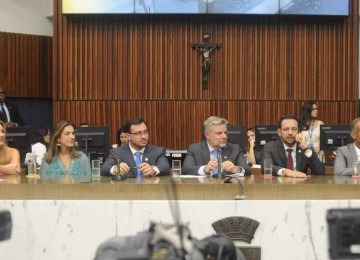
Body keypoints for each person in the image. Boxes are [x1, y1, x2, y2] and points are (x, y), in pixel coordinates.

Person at [101, 117, 170, 177]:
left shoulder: (157, 152)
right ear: (128, 136)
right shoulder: (117, 152)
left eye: (145, 132)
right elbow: (104, 169)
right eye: (138, 133)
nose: (144, 136)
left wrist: (153, 170)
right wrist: (115, 169)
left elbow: (165, 167)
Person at [182, 116, 251, 176]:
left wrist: (236, 169)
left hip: (228, 189)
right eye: (219, 133)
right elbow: (186, 169)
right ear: (207, 135)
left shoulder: (235, 149)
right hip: (203, 189)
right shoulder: (195, 149)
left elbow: (247, 170)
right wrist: (204, 169)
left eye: (225, 133)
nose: (224, 136)